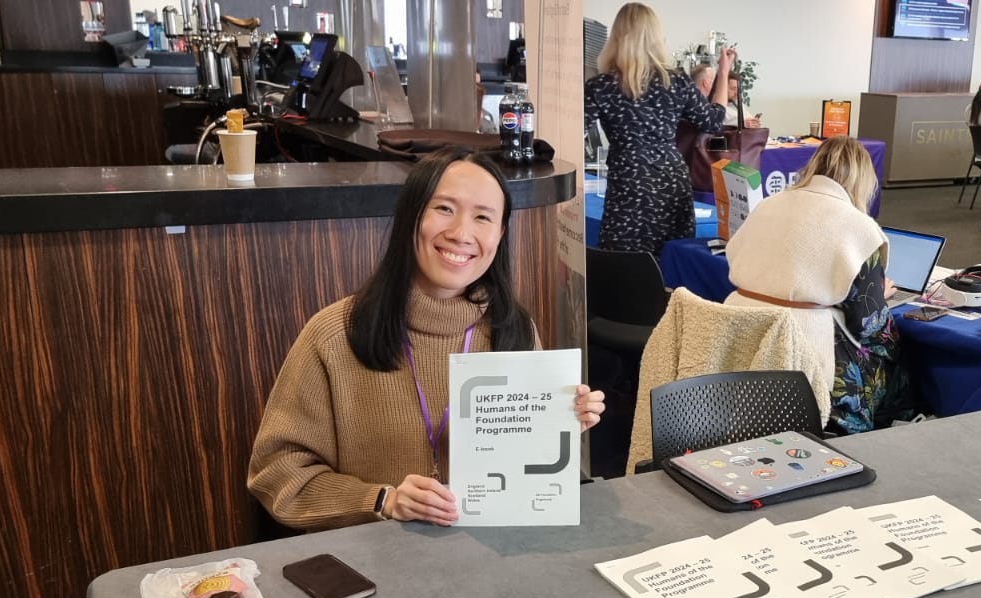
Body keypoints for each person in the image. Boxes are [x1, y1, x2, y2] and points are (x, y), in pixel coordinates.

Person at [248, 149, 607, 530]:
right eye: (444, 209)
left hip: (494, 554)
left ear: (499, 235)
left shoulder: (513, 328)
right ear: (411, 217)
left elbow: (518, 469)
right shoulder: (335, 335)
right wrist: (383, 500)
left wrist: (557, 430)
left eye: (483, 217)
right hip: (376, 563)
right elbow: (277, 474)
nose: (461, 233)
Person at [722, 137, 904, 435]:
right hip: (808, 348)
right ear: (863, 181)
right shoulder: (859, 228)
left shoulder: (768, 204)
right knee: (897, 359)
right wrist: (878, 297)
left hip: (741, 332)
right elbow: (868, 324)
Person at [584, 2, 731, 254]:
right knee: (673, 261)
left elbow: (576, 130)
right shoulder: (675, 81)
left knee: (623, 264)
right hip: (670, 182)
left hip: (628, 182)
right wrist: (724, 72)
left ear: (617, 37)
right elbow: (714, 120)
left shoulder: (601, 85)